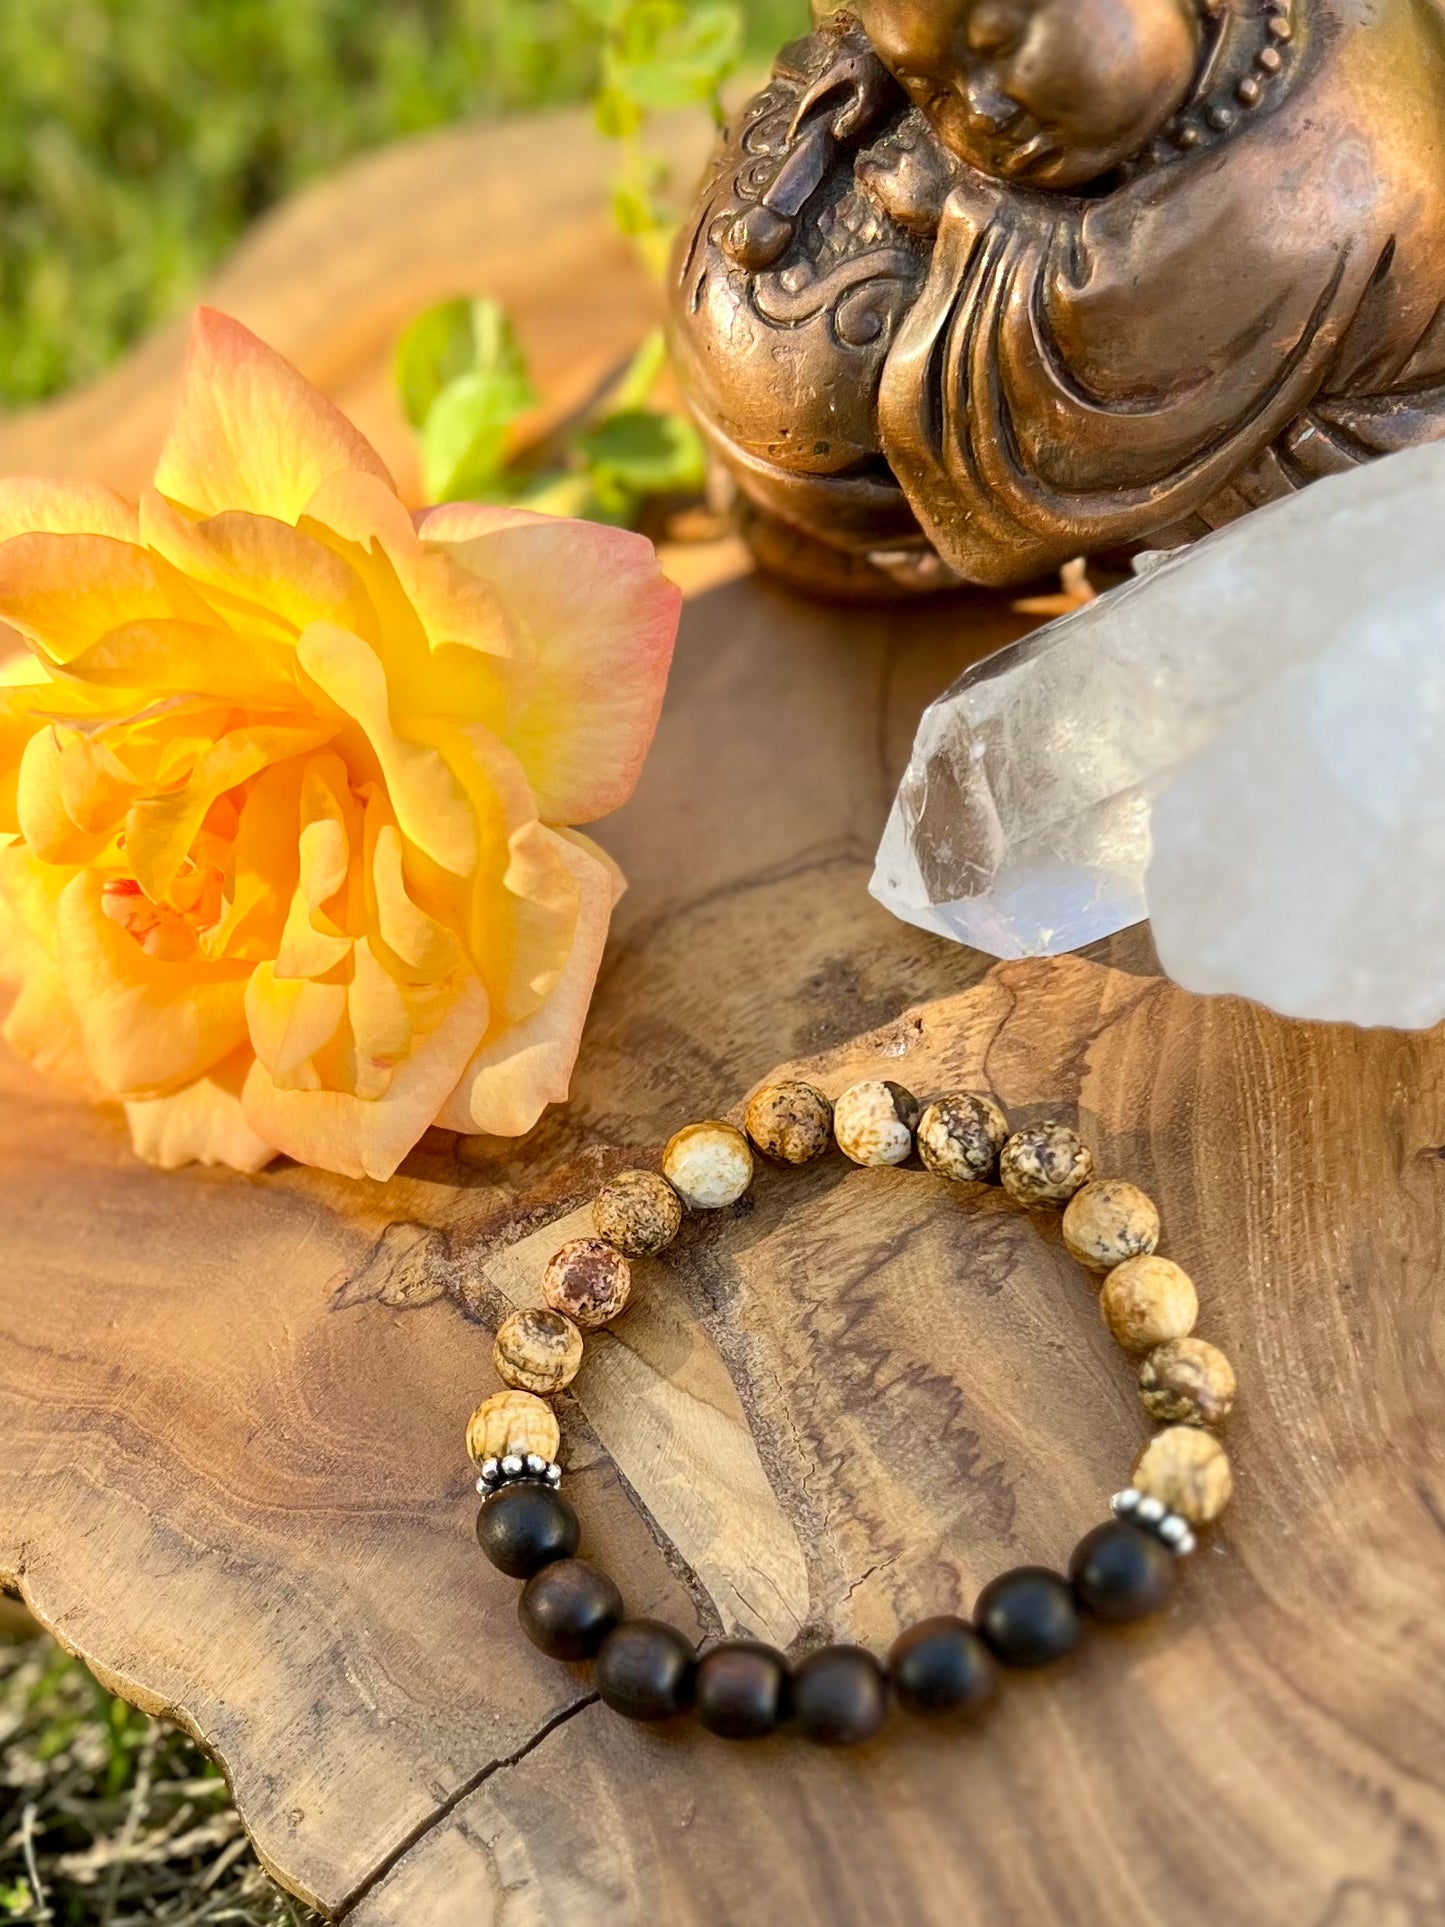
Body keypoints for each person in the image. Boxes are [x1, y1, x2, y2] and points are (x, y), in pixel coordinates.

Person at [669, 0, 1445, 592]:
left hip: (1325, 447)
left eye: (999, 44)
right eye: (935, 87)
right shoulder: (1175, 74)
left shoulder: (1322, 157)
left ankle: (882, 529)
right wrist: (869, 53)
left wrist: (957, 208)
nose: (984, 110)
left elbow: (1130, 293)